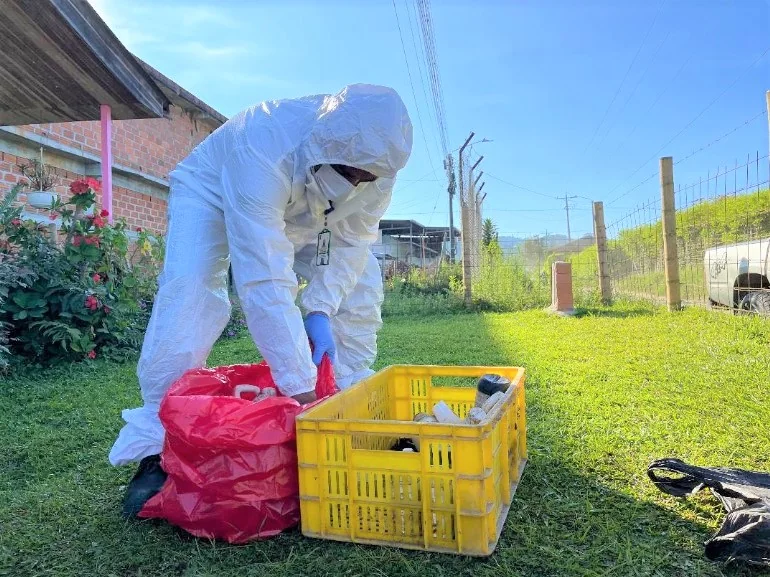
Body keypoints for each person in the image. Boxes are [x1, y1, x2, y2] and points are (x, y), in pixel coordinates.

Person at [109, 84, 413, 517]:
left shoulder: (378, 171)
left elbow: (350, 245)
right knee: (190, 291)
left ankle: (346, 410)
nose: (359, 183)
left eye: (369, 177)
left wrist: (322, 308)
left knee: (362, 280)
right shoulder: (263, 142)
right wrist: (299, 383)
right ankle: (159, 449)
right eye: (351, 171)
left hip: (309, 211)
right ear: (327, 145)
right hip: (212, 193)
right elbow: (264, 278)